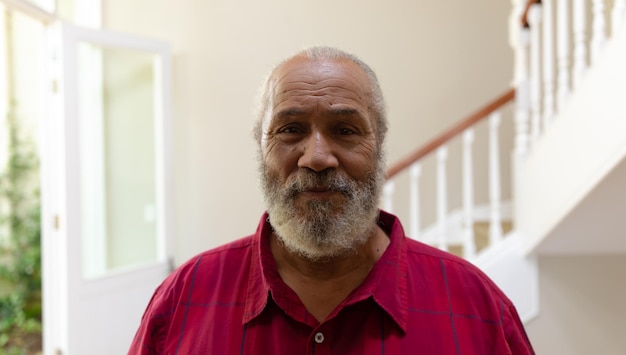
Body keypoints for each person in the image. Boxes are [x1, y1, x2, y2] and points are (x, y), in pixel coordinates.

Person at [128, 46, 534, 354]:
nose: (317, 157)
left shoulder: (478, 309)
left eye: (344, 129)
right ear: (260, 147)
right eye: (290, 129)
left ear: (379, 145)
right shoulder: (182, 301)